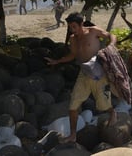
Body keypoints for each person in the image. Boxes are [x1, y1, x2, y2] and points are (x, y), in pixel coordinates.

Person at [44, 12, 117, 143]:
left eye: (74, 27)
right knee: (73, 105)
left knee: (103, 105)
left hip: (99, 73)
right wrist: (57, 61)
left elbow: (111, 35)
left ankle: (112, 112)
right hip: (84, 73)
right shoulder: (73, 39)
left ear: (81, 24)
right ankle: (73, 135)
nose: (72, 30)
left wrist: (111, 45)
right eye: (70, 27)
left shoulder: (93, 31)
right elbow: (72, 55)